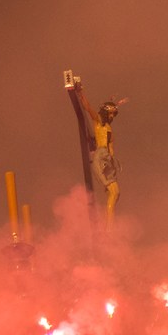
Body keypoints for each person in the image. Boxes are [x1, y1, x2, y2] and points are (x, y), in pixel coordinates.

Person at [71, 78, 123, 228]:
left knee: (115, 194)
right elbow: (87, 107)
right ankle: (109, 227)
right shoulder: (99, 122)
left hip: (106, 159)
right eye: (111, 114)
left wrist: (114, 163)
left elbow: (111, 150)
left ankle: (109, 224)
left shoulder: (110, 131)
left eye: (114, 114)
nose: (113, 117)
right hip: (101, 157)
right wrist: (80, 92)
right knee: (114, 192)